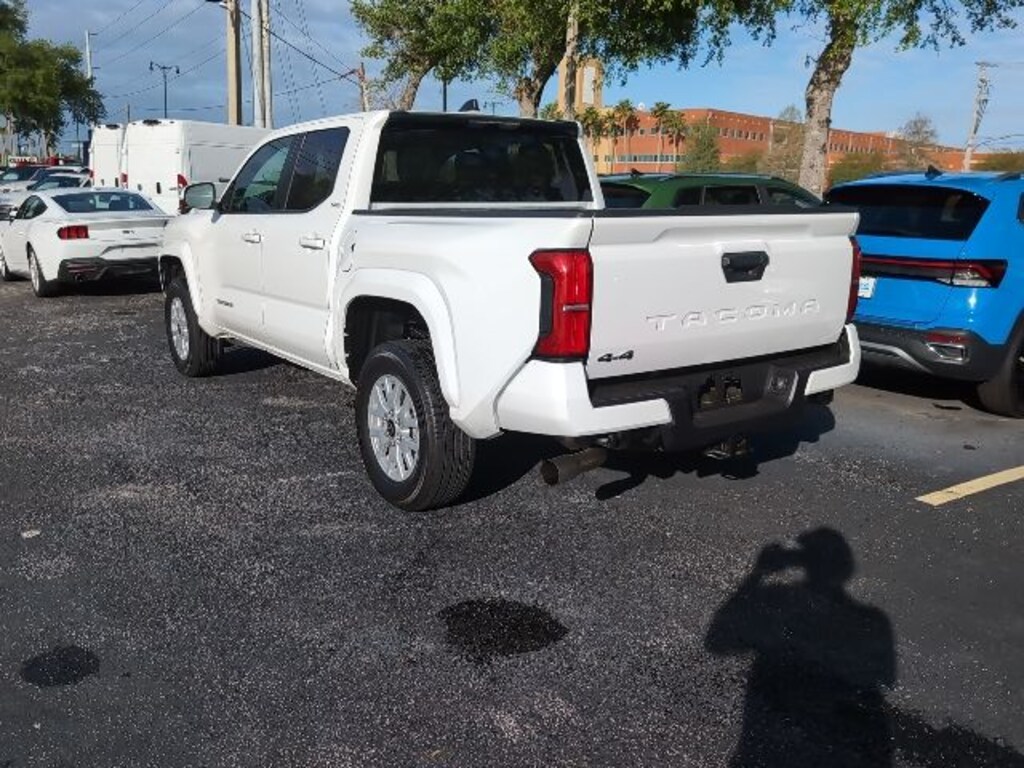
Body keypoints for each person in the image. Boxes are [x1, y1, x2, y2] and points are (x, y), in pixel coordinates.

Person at [705, 528, 895, 767]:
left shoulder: (777, 604)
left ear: (800, 564)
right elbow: (884, 678)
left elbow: (717, 640)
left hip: (771, 749)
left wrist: (756, 575)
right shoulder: (871, 622)